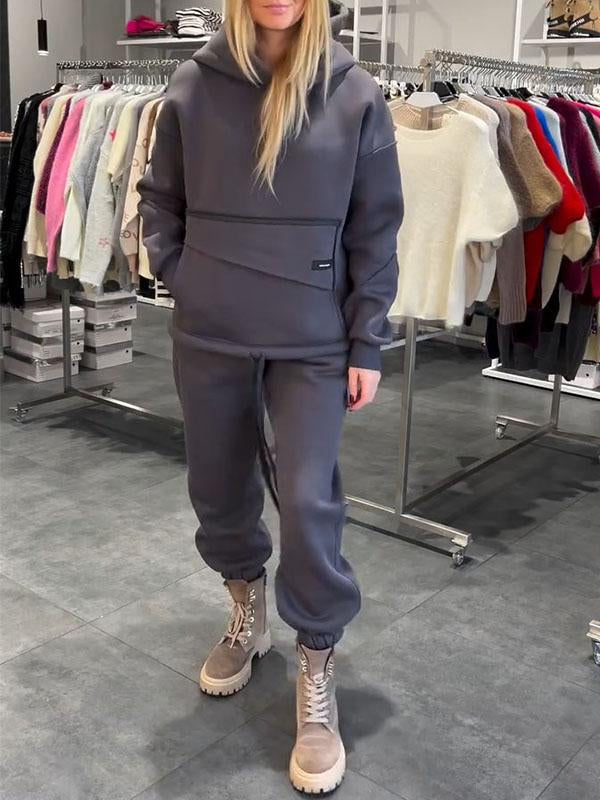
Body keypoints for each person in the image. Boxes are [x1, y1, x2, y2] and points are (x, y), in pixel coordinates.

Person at [138, 0, 403, 792]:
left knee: (308, 498)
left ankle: (316, 661)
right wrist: (186, 276)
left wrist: (366, 340)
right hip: (212, 329)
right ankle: (247, 609)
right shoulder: (192, 85)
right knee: (216, 486)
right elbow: (160, 198)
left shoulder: (354, 93)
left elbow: (375, 229)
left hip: (314, 339)